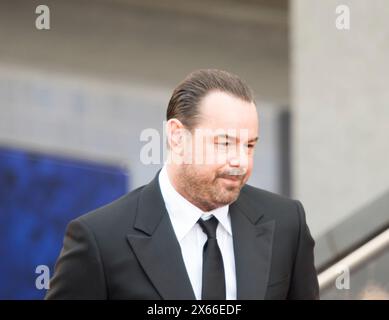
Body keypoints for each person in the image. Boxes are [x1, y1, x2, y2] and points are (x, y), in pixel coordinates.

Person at [45, 69, 319, 300]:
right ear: (177, 138)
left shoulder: (286, 222)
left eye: (249, 145)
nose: (241, 162)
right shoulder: (100, 240)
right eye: (224, 143)